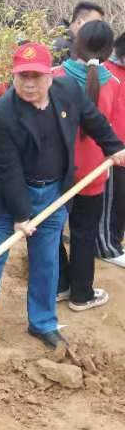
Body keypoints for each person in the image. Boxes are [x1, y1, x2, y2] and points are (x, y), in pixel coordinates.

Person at [0, 42, 125, 351]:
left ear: (50, 76)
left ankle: (43, 324)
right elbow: (8, 169)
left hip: (53, 193)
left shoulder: (68, 91)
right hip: (6, 198)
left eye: (36, 76)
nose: (29, 83)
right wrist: (21, 216)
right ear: (14, 77)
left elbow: (93, 119)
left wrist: (113, 147)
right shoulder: (1, 114)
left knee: (46, 263)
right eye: (22, 76)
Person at [54, 21, 121, 310]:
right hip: (93, 173)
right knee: (84, 232)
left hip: (57, 170)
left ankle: (59, 285)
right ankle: (82, 294)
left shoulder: (55, 77)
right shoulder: (114, 84)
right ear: (109, 51)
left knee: (51, 230)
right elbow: (115, 135)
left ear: (76, 43)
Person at [97, 30, 125, 267]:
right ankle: (108, 247)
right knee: (112, 202)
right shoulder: (107, 72)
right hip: (113, 151)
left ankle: (116, 240)